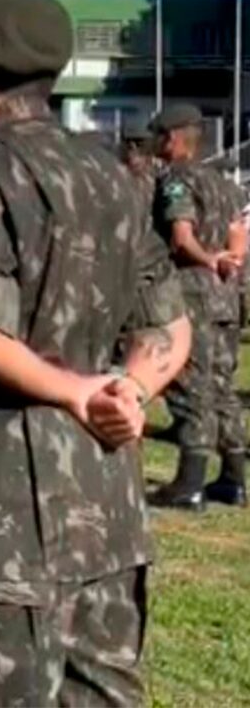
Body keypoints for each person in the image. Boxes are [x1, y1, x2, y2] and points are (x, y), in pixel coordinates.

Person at [0, 0, 189, 706]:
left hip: (1, 498)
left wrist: (77, 391)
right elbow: (170, 325)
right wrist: (126, 391)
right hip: (105, 502)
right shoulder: (115, 178)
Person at [143, 103, 249, 511]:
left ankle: (188, 484)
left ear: (171, 139)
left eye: (157, 136)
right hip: (224, 295)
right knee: (222, 387)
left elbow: (181, 236)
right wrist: (228, 261)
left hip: (190, 294)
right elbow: (238, 232)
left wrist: (206, 259)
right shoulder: (221, 181)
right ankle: (234, 478)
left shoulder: (176, 179)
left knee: (191, 386)